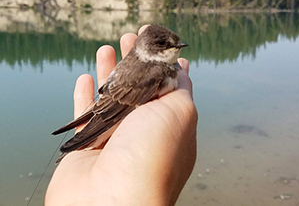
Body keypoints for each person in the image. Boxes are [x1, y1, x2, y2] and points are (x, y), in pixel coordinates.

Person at [45, 25, 198, 206]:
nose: (176, 47)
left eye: (176, 44)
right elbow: (113, 109)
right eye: (167, 45)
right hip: (111, 112)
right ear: (150, 49)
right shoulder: (154, 72)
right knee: (87, 138)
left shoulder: (159, 67)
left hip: (111, 105)